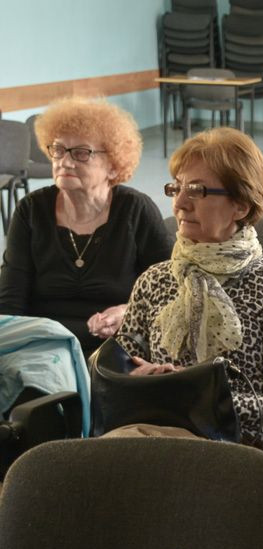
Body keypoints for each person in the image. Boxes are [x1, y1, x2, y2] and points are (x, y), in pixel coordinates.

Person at [116, 127, 263, 447]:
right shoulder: (155, 280)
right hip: (152, 436)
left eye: (197, 191)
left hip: (234, 450)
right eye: (176, 188)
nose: (179, 203)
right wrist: (141, 379)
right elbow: (120, 371)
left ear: (241, 205)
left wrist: (204, 400)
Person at [0, 97, 173, 355]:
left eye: (82, 153)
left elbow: (171, 290)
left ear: (113, 167)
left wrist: (129, 311)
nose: (65, 162)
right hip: (43, 345)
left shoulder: (136, 210)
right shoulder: (31, 210)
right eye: (58, 150)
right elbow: (10, 303)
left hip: (117, 346)